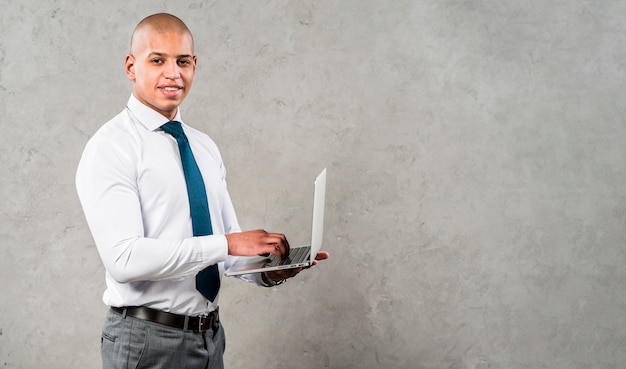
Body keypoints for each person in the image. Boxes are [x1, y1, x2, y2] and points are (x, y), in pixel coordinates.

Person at [76, 13, 329, 369]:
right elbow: (124, 260)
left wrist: (270, 270)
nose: (172, 73)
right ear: (132, 66)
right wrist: (227, 243)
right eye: (157, 60)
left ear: (194, 65)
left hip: (209, 337)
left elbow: (226, 255)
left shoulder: (204, 147)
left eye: (182, 61)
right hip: (146, 341)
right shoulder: (112, 147)